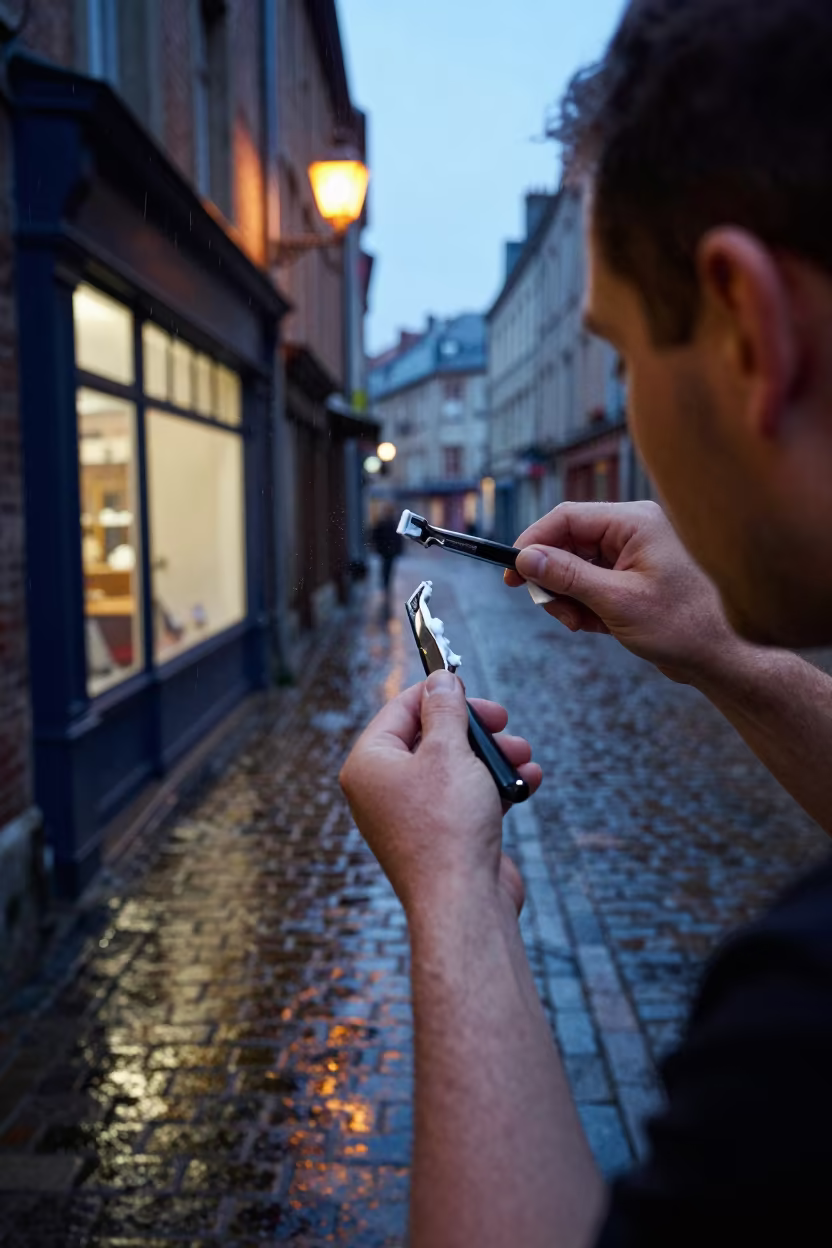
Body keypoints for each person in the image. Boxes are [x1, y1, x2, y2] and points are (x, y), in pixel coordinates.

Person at [341, 1, 832, 1243]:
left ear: (745, 329)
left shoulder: (795, 1033)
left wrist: (454, 897)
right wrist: (727, 651)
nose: (625, 406)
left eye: (618, 352)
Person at [371, 503, 404, 618]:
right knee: (386, 569)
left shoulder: (390, 524)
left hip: (388, 552)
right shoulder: (387, 524)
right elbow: (375, 536)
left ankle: (386, 585)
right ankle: (386, 585)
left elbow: (398, 539)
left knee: (387, 569)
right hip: (387, 552)